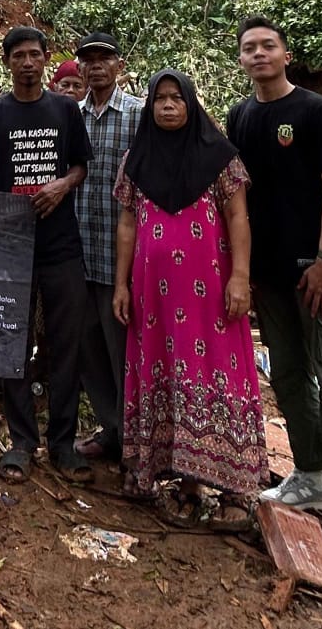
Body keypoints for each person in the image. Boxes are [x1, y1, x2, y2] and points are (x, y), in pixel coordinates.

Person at [226, 16, 322, 557]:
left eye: (269, 45)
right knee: (289, 377)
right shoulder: (240, 117)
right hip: (267, 276)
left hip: (317, 274)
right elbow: (235, 196)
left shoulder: (317, 112)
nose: (259, 54)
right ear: (241, 59)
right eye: (249, 48)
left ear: (286, 55)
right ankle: (312, 476)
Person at [112, 71, 267, 530]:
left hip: (211, 298)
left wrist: (241, 276)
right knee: (165, 371)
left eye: (176, 99)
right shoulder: (135, 160)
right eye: (158, 99)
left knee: (219, 373)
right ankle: (186, 484)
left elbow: (238, 217)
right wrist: (121, 285)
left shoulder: (220, 158)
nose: (167, 107)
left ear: (191, 104)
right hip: (153, 300)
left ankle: (236, 490)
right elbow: (127, 225)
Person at [0, 26, 93, 484]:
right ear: (7, 63)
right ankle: (22, 442)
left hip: (61, 247)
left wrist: (61, 185)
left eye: (34, 54)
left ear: (45, 60)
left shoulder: (65, 109)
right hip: (12, 252)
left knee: (66, 346)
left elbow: (80, 165)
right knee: (12, 347)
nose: (27, 62)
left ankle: (62, 443)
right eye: (18, 55)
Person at [71, 32, 145, 464]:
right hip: (78, 252)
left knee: (125, 353)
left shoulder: (137, 114)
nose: (96, 66)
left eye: (104, 59)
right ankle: (112, 430)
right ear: (80, 68)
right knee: (88, 350)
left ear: (118, 65)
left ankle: (136, 439)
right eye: (88, 60)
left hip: (122, 261)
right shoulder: (69, 115)